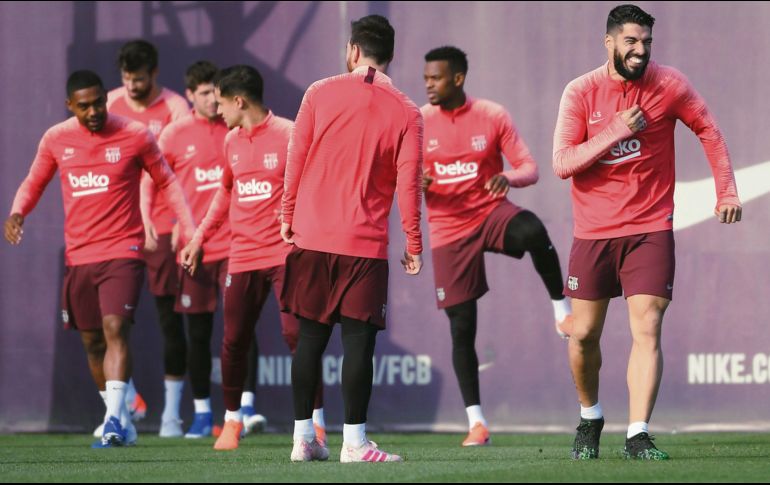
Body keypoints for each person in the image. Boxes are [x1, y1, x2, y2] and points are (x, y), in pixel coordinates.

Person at [553, 4, 742, 460]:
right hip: (594, 231)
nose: (640, 51)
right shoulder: (580, 91)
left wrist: (727, 192)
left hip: (650, 226)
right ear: (610, 42)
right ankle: (590, 416)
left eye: (647, 43)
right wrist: (617, 130)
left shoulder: (669, 84)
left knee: (649, 325)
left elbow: (710, 131)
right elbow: (563, 164)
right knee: (582, 335)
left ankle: (637, 434)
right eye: (631, 42)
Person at [4, 70, 195, 448]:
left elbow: (168, 181)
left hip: (123, 250)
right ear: (70, 106)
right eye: (84, 105)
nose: (94, 111)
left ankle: (111, 421)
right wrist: (16, 212)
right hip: (80, 256)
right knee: (92, 341)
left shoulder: (135, 134)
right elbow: (34, 180)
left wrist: (188, 229)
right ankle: (122, 414)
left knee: (114, 328)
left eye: (98, 103)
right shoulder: (57, 139)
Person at [279, 14, 423, 463]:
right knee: (359, 345)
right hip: (363, 245)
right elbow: (409, 185)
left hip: (312, 237)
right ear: (391, 56)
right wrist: (413, 244)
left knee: (310, 340)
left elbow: (296, 155)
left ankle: (304, 440)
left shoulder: (318, 93)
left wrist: (287, 214)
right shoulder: (407, 111)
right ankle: (355, 444)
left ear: (353, 50)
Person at [420, 46, 572, 447]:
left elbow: (530, 168)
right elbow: (393, 176)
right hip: (447, 230)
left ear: (458, 78)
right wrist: (412, 183)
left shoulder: (491, 115)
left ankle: (561, 308)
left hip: (489, 213)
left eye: (436, 78)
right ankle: (477, 423)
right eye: (425, 79)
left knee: (534, 231)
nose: (428, 85)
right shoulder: (418, 123)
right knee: (462, 328)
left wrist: (508, 178)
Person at [180, 65, 326, 451]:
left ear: (239, 101)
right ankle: (231, 422)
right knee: (233, 341)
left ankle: (317, 423)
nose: (217, 108)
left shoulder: (291, 135)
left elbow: (316, 186)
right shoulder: (230, 141)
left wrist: (306, 232)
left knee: (298, 336)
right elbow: (225, 194)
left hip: (285, 254)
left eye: (221, 101)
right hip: (242, 256)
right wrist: (198, 238)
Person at [106, 39, 190, 430]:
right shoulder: (107, 104)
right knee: (110, 321)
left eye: (138, 79)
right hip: (115, 226)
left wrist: (179, 223)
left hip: (161, 230)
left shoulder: (175, 108)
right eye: (126, 78)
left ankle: (171, 415)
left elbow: (180, 173)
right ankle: (124, 403)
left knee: (168, 319)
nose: (131, 86)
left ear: (154, 74)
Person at [148, 60, 231, 438]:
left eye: (217, 92)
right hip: (194, 250)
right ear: (190, 95)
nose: (214, 100)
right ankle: (200, 414)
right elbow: (153, 178)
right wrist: (151, 220)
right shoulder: (174, 134)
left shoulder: (236, 128)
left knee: (240, 330)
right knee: (197, 333)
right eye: (204, 93)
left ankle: (243, 410)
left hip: (236, 246)